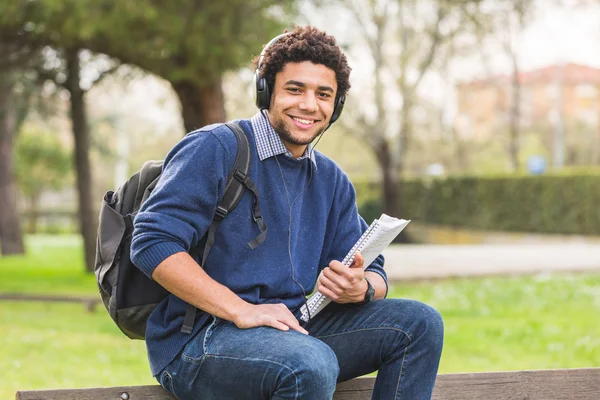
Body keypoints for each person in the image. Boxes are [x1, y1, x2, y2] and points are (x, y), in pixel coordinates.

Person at [130, 26, 443, 400]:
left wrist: (361, 288)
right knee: (309, 363)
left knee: (420, 324)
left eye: (323, 94)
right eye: (295, 89)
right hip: (200, 339)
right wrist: (239, 309)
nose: (309, 105)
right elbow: (152, 242)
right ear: (266, 91)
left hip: (289, 330)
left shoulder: (330, 179)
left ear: (336, 105)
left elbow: (373, 272)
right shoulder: (215, 147)